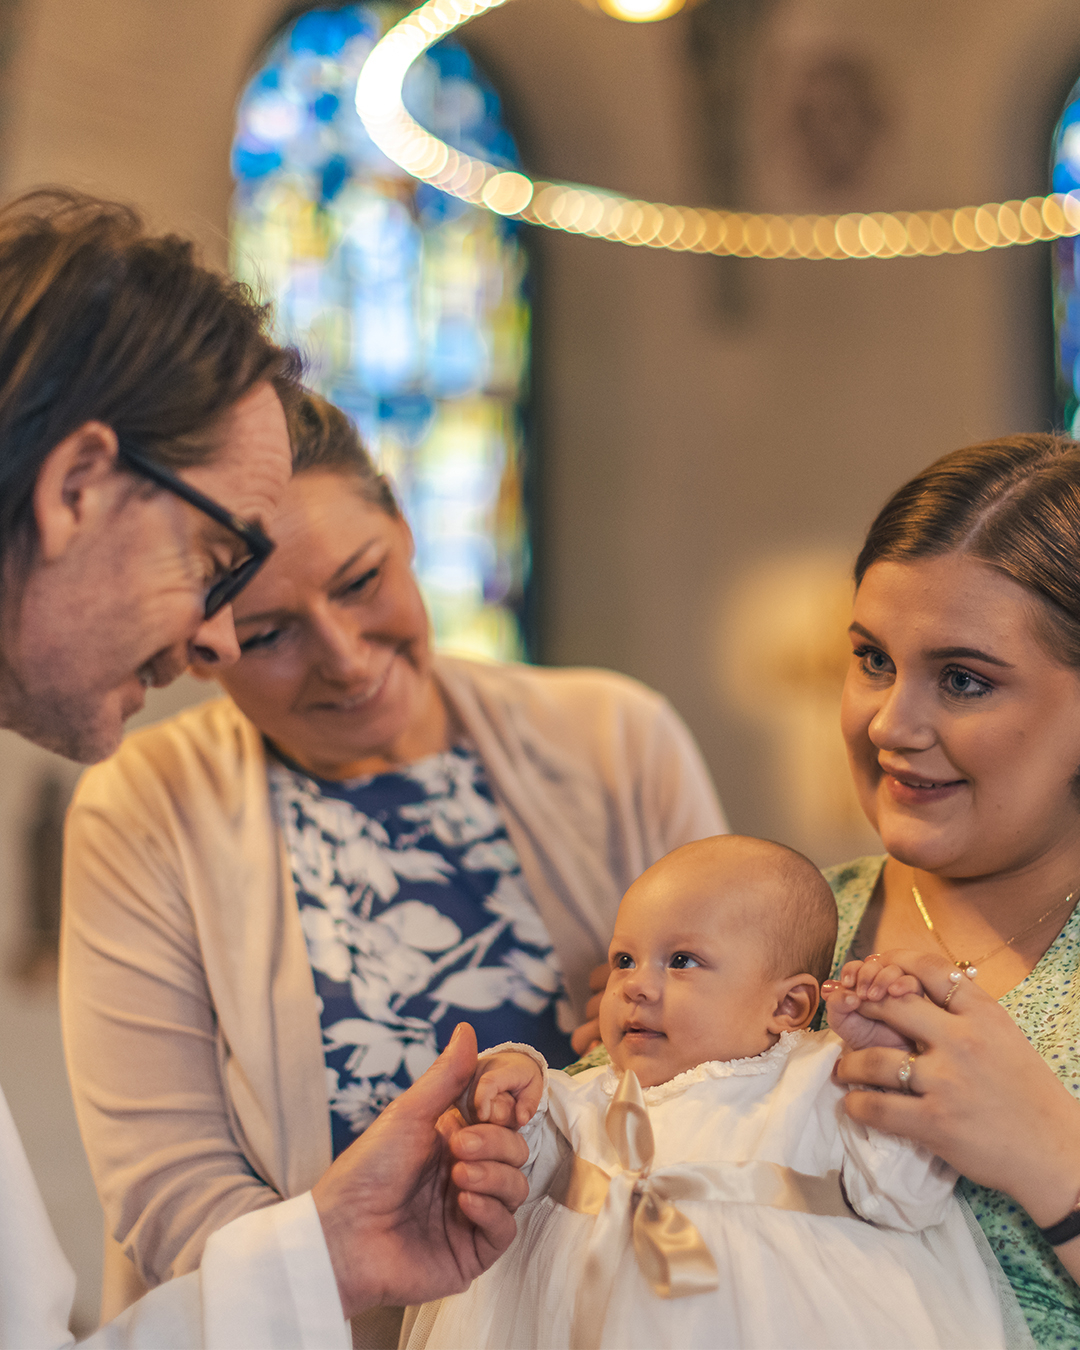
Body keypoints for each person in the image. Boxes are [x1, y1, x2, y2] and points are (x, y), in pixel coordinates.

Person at [59, 391, 726, 1331]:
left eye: (362, 580)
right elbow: (167, 1191)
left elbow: (748, 1048)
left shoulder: (619, 741)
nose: (343, 656)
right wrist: (366, 1297)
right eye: (268, 635)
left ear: (405, 530)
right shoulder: (145, 808)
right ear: (201, 645)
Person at [0, 188, 528, 1348]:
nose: (212, 641)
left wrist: (326, 1259)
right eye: (218, 559)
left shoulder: (597, 733)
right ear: (77, 486)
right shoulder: (148, 803)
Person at [401, 836, 1022, 1350]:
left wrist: (879, 1050)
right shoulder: (591, 1099)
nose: (635, 986)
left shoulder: (821, 1079)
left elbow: (906, 1200)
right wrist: (510, 1081)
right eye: (623, 959)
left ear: (788, 1005)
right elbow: (515, 1170)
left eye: (681, 961)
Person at [816, 433, 1080, 1348]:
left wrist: (1052, 1152)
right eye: (873, 659)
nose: (892, 722)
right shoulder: (777, 920)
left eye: (963, 680)